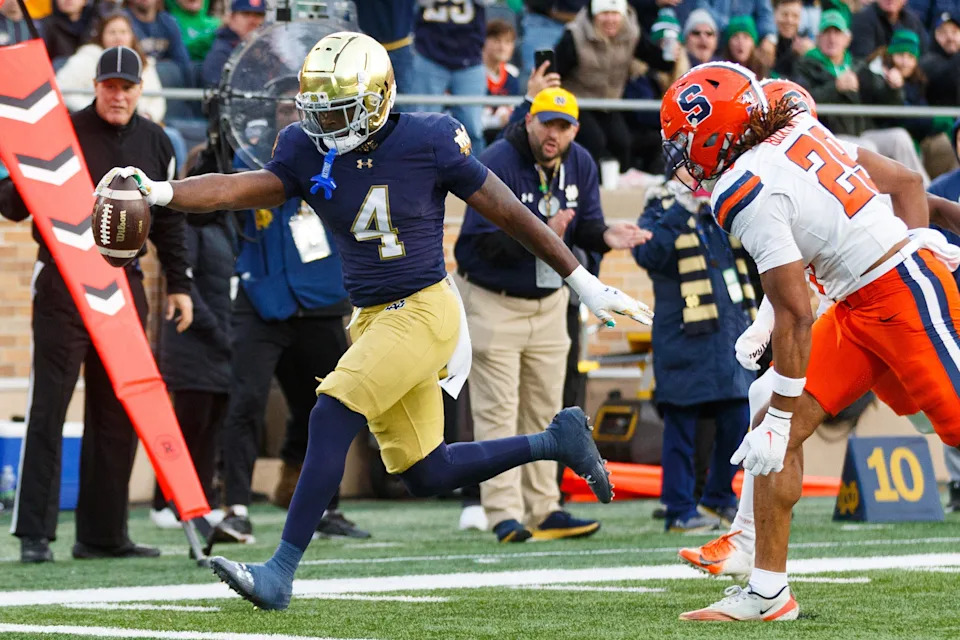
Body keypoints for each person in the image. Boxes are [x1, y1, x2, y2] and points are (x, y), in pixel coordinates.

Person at [97, 31, 650, 610]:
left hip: (424, 308)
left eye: (338, 110)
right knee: (427, 472)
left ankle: (280, 572)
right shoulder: (306, 147)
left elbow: (510, 213)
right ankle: (555, 440)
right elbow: (241, 188)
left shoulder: (429, 140)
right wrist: (161, 191)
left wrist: (581, 280)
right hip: (371, 318)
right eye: (319, 111)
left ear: (375, 99)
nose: (325, 125)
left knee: (331, 409)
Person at [660, 61, 960, 622]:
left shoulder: (741, 186)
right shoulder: (796, 130)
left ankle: (751, 548)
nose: (682, 154)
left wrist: (779, 406)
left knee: (949, 426)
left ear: (718, 131)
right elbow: (799, 290)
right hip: (856, 301)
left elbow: (797, 311)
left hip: (899, 293)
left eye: (687, 139)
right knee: (775, 427)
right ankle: (768, 589)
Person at [0, 46, 193, 563]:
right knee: (50, 407)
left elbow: (170, 220)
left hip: (123, 286)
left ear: (141, 87)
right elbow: (15, 206)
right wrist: (20, 163)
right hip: (63, 285)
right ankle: (35, 535)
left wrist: (180, 284)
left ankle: (104, 535)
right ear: (97, 85)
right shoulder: (61, 132)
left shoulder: (157, 140)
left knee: (118, 409)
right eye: (110, 85)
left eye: (128, 86)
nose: (119, 94)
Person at [455, 88, 648, 543]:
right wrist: (538, 235)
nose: (553, 134)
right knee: (498, 411)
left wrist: (605, 233)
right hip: (493, 297)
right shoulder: (499, 160)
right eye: (547, 123)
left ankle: (545, 507)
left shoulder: (580, 161)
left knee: (546, 411)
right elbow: (476, 242)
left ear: (575, 130)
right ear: (529, 121)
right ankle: (503, 511)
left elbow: (583, 226)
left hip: (549, 299)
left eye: (563, 126)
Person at [214, 77, 368, 543]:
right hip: (263, 298)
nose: (289, 113)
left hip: (320, 298)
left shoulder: (337, 158)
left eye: (296, 106)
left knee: (328, 405)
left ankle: (323, 506)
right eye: (283, 105)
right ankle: (234, 506)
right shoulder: (248, 156)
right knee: (245, 402)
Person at [632, 155, 754, 534]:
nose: (701, 174)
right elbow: (649, 255)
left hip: (728, 337)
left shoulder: (719, 210)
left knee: (739, 420)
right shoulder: (658, 206)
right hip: (683, 338)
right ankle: (678, 508)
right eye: (693, 167)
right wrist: (680, 210)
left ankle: (718, 496)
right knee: (681, 427)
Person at [57, 12, 166, 122]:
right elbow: (63, 88)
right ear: (102, 35)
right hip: (94, 122)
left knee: (172, 136)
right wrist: (94, 111)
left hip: (139, 124)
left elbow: (157, 99)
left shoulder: (144, 62)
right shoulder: (85, 58)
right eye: (112, 32)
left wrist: (148, 116)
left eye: (123, 32)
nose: (118, 37)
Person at [200, 0, 265, 88]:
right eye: (246, 14)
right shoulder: (222, 52)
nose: (252, 21)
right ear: (231, 18)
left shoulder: (268, 49)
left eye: (258, 15)